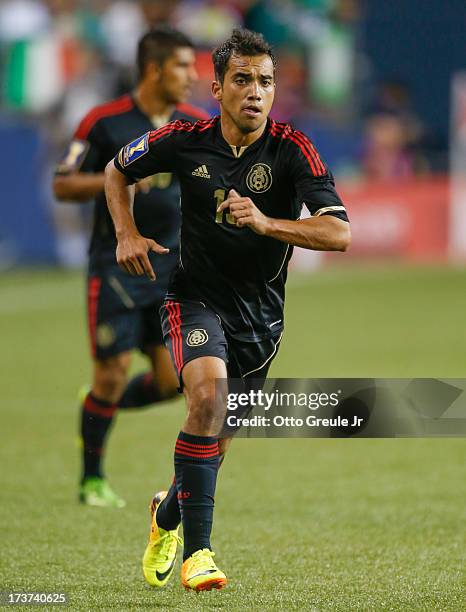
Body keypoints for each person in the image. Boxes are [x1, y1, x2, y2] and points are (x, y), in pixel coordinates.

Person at [104, 28, 350, 590]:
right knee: (209, 398)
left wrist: (267, 223)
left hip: (261, 320)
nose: (255, 92)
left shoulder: (293, 149)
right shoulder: (183, 139)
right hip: (193, 298)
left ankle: (166, 514)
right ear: (216, 88)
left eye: (266, 81)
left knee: (213, 444)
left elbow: (339, 233)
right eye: (242, 80)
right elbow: (118, 170)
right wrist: (126, 233)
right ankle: (200, 556)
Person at [53, 27, 209, 508]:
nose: (192, 76)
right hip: (115, 266)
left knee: (168, 382)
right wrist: (113, 179)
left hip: (172, 269)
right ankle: (92, 480)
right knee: (113, 371)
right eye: (183, 65)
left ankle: (96, 407)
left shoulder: (194, 123)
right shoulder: (104, 122)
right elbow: (63, 184)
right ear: (153, 69)